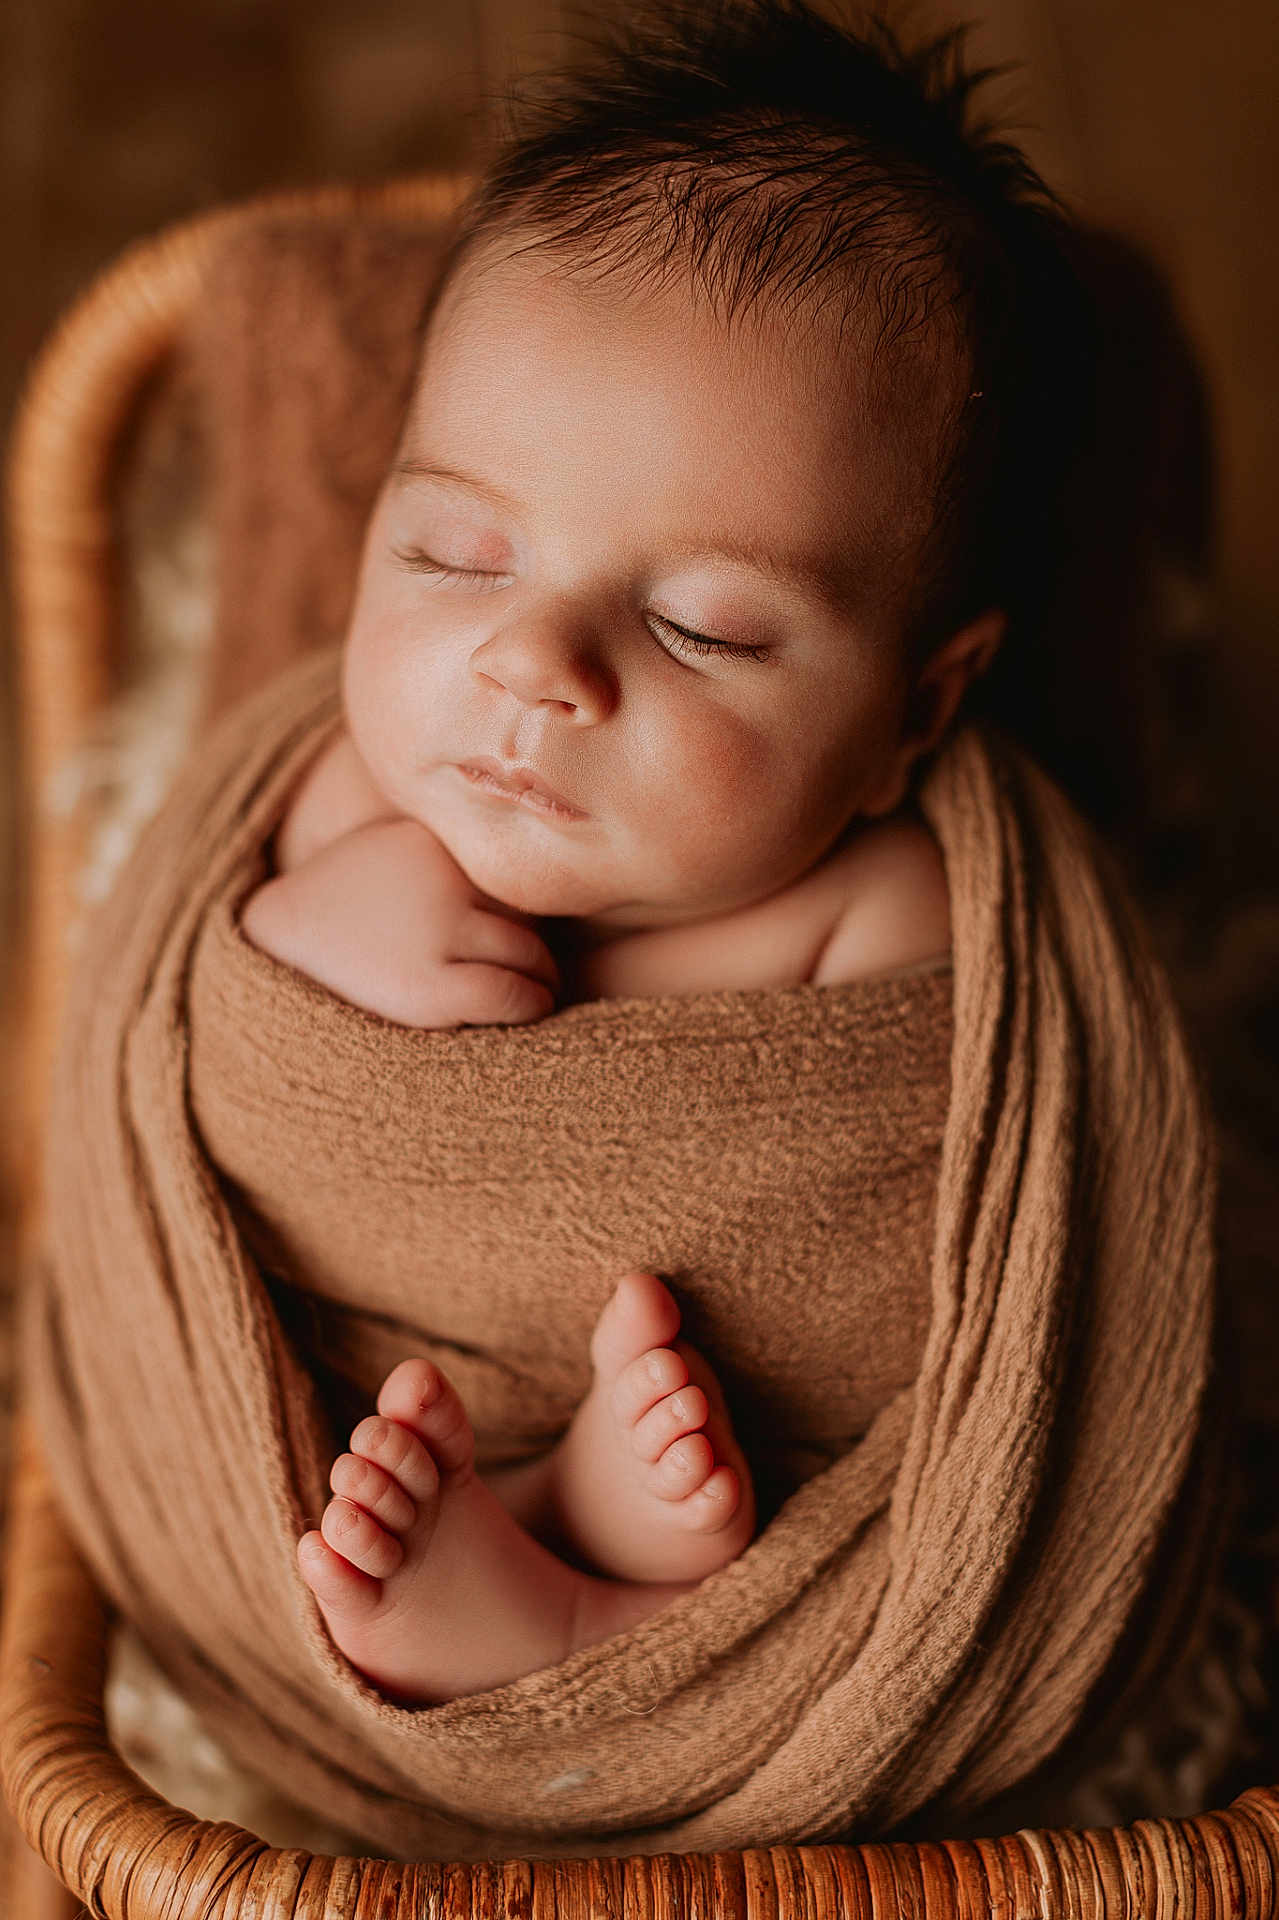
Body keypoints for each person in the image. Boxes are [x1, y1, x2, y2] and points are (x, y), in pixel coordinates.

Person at [237, 0, 1088, 1708]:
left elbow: (923, 1297)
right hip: (378, 1392)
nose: (532, 663)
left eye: (704, 626)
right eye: (455, 551)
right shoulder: (351, 787)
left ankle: (610, 1613)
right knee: (388, 1465)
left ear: (916, 712)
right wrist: (302, 935)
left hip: (779, 1484)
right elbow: (216, 1058)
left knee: (817, 1508)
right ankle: (544, 1536)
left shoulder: (887, 909)